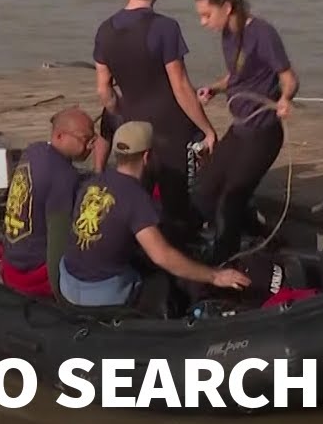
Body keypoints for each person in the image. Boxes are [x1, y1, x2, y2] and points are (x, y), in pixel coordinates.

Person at [93, 0, 219, 245]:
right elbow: (181, 86)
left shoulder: (105, 31)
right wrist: (208, 129)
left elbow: (104, 91)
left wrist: (120, 114)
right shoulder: (165, 28)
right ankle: (179, 265)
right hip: (170, 128)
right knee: (176, 206)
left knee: (133, 196)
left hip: (131, 126)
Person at [59, 121, 250, 307]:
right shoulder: (136, 197)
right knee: (166, 281)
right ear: (147, 156)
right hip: (100, 293)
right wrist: (215, 276)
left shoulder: (93, 182)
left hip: (67, 282)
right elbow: (162, 256)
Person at [193, 0, 299, 264]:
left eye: (206, 15)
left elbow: (289, 78)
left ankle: (223, 266)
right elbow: (237, 75)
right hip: (240, 130)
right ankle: (259, 234)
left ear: (227, 7)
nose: (203, 23)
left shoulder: (262, 33)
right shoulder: (228, 34)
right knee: (204, 189)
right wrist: (214, 88)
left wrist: (285, 99)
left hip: (263, 133)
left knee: (230, 200)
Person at [0, 107, 100, 298]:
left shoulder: (33, 152)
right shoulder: (63, 177)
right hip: (33, 274)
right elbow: (58, 245)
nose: (91, 146)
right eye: (86, 139)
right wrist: (63, 296)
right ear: (60, 136)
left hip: (11, 262)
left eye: (94, 139)